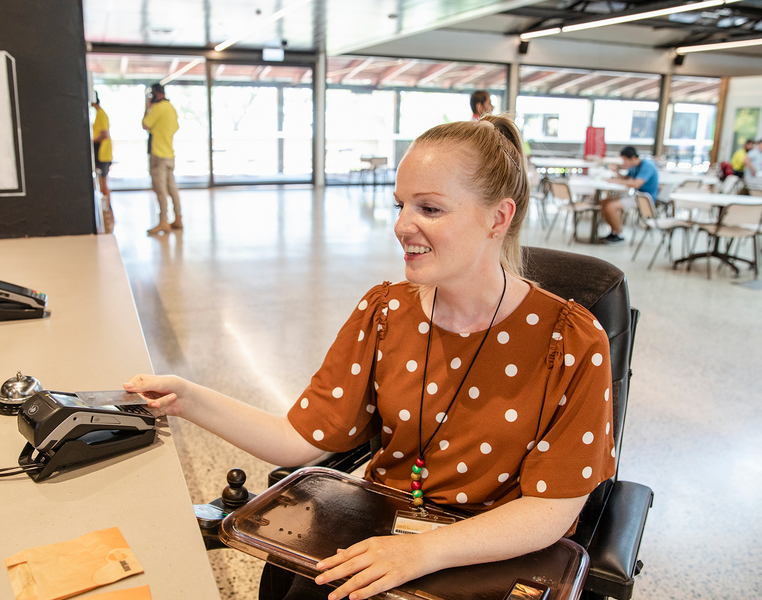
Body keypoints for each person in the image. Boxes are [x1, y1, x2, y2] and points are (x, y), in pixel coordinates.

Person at [124, 116, 615, 600]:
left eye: (429, 208)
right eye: (401, 205)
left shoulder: (571, 342)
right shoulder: (386, 313)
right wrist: (187, 399)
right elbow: (299, 437)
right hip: (380, 537)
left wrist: (423, 551)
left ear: (498, 218)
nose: (401, 225)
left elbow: (551, 510)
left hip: (487, 557)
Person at [142, 83, 182, 235]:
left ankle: (163, 221)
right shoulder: (171, 108)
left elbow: (145, 124)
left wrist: (147, 107)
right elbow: (175, 127)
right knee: (172, 187)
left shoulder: (157, 108)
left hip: (158, 154)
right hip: (169, 153)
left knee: (160, 189)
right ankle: (178, 217)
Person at [600, 146, 659, 245]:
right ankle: (614, 232)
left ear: (633, 158)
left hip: (644, 198)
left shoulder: (647, 166)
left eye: (624, 160)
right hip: (635, 195)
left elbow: (636, 184)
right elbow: (626, 179)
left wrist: (616, 181)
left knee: (611, 206)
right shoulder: (634, 166)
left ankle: (619, 235)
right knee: (604, 202)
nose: (624, 163)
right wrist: (617, 173)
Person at [92, 93, 114, 231]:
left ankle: (108, 213)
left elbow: (104, 134)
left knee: (103, 184)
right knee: (102, 184)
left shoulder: (101, 114)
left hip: (103, 155)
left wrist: (91, 140)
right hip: (102, 154)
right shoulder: (98, 114)